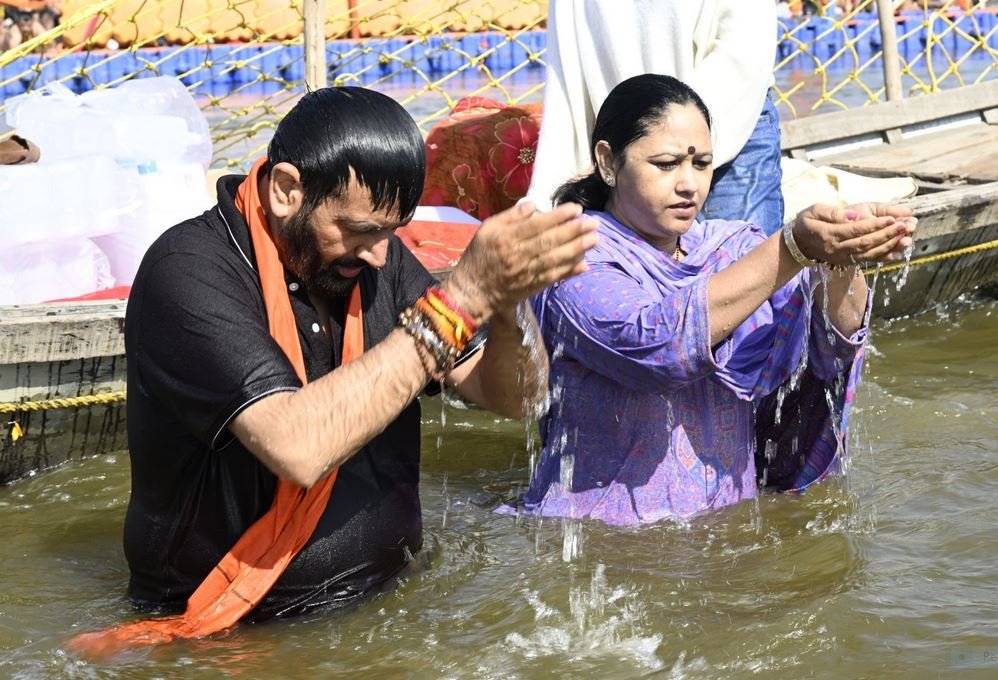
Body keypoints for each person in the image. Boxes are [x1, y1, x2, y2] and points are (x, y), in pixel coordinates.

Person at [71, 86, 597, 654]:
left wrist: (510, 305)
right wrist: (463, 298)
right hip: (231, 639)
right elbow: (296, 446)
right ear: (286, 191)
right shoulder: (189, 271)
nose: (378, 254)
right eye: (360, 230)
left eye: (391, 231)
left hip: (385, 609)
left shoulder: (377, 255)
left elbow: (512, 398)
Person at [511, 74, 915, 526]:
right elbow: (657, 346)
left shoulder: (731, 247)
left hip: (727, 526)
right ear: (608, 162)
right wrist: (794, 248)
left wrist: (841, 257)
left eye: (701, 163)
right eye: (666, 164)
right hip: (601, 541)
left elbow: (831, 346)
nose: (689, 184)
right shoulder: (570, 258)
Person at [526, 0, 785, 233]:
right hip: (630, 149)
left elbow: (744, 50)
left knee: (745, 272)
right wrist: (545, 197)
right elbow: (566, 79)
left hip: (730, 122)